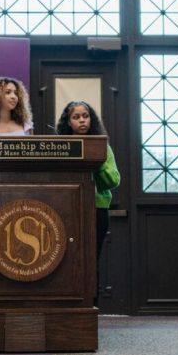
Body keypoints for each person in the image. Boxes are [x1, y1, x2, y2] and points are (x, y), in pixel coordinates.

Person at [56, 101, 120, 263]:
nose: (82, 120)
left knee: (91, 260)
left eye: (86, 116)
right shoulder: (61, 147)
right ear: (69, 122)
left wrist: (96, 160)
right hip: (68, 208)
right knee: (69, 259)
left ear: (91, 119)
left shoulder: (102, 146)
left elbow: (113, 180)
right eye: (76, 117)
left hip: (96, 209)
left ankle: (93, 290)